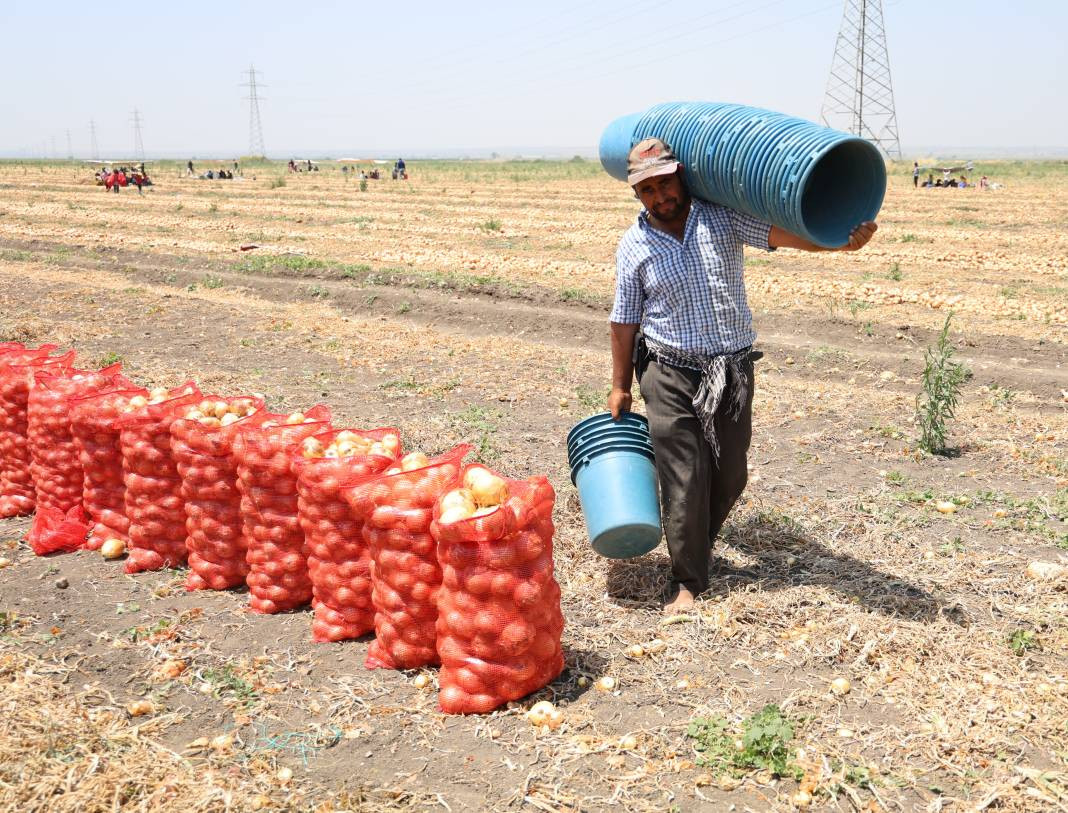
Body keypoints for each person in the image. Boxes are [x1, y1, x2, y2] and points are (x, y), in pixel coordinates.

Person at [607, 137, 877, 614]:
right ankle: (687, 580)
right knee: (686, 476)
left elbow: (785, 235)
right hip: (667, 371)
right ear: (636, 195)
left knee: (730, 474)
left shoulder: (721, 217)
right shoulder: (634, 247)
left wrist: (839, 240)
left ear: (680, 177)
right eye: (647, 190)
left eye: (665, 183)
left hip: (729, 370)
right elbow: (623, 321)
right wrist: (620, 385)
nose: (659, 196)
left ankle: (695, 540)